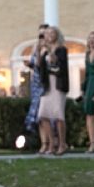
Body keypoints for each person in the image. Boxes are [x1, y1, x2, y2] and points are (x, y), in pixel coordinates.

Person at [35, 26, 70, 155]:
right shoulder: (44, 51)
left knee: (59, 116)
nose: (49, 35)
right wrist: (39, 51)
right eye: (47, 33)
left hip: (58, 85)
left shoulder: (61, 50)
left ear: (57, 35)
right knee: (43, 115)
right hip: (47, 85)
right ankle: (51, 144)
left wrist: (49, 50)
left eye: (52, 33)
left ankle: (62, 144)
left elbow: (57, 62)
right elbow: (39, 66)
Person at [22, 23, 47, 142]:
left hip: (46, 83)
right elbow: (35, 64)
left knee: (45, 113)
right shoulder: (36, 47)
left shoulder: (49, 48)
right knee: (38, 115)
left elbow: (41, 64)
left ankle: (53, 141)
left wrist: (39, 52)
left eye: (44, 33)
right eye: (40, 33)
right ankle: (43, 142)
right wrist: (29, 64)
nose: (41, 36)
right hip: (36, 82)